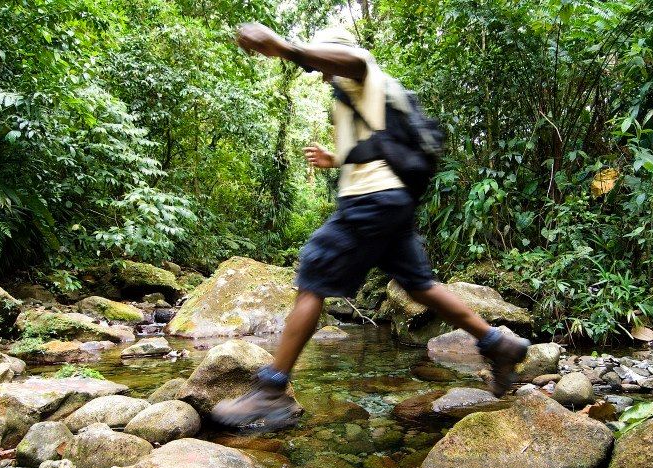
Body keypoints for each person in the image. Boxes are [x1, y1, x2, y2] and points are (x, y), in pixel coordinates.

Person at [211, 23, 530, 428]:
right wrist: (337, 158)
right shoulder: (370, 94)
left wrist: (285, 48)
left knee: (312, 276)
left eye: (322, 63)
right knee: (420, 287)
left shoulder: (358, 69)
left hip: (370, 201)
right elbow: (376, 143)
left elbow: (354, 60)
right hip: (392, 200)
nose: (321, 73)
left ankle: (271, 392)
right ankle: (497, 344)